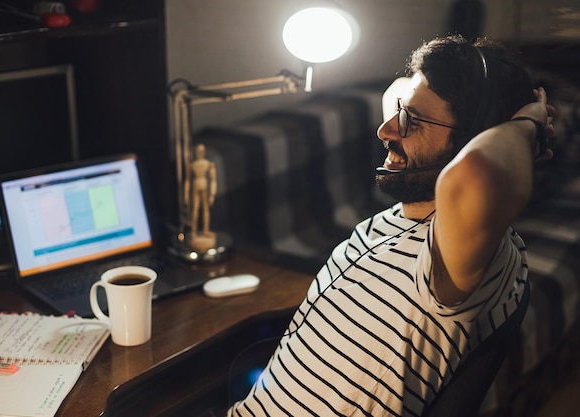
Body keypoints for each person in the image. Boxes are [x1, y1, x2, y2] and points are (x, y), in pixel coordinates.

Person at [226, 35, 556, 416]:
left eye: (409, 122)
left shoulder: (458, 259)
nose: (386, 131)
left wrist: (529, 121)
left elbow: (479, 174)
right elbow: (400, 90)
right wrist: (411, 103)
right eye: (400, 112)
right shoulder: (399, 217)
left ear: (473, 140)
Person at [184, 143, 217, 250]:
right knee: (196, 209)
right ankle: (194, 231)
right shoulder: (193, 165)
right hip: (198, 184)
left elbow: (213, 180)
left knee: (204, 209)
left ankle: (205, 230)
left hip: (201, 184)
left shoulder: (208, 164)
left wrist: (212, 194)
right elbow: (187, 181)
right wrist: (186, 194)